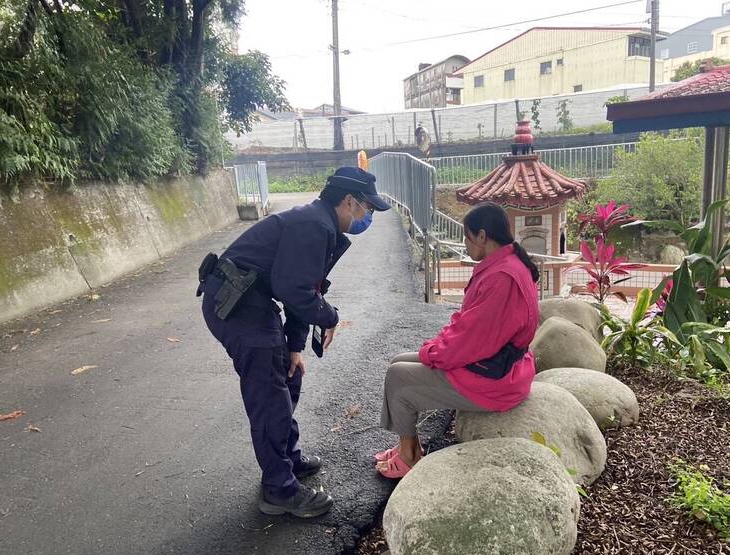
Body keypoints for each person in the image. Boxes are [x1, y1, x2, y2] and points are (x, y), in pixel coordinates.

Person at [198, 167, 390, 517]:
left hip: (252, 303)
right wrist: (330, 317)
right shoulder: (313, 226)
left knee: (289, 374)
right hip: (238, 307)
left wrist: (295, 347)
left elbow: (306, 289)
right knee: (270, 396)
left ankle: (285, 457)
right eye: (367, 208)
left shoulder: (320, 224)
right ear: (349, 201)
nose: (367, 216)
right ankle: (279, 490)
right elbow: (295, 291)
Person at [375, 202, 540, 478]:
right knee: (398, 361)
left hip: (495, 379)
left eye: (467, 237)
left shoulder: (502, 278)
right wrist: (436, 347)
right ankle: (409, 444)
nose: (466, 244)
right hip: (493, 364)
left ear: (483, 236)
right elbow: (469, 326)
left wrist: (434, 352)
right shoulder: (507, 265)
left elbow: (471, 340)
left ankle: (409, 457)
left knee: (398, 376)